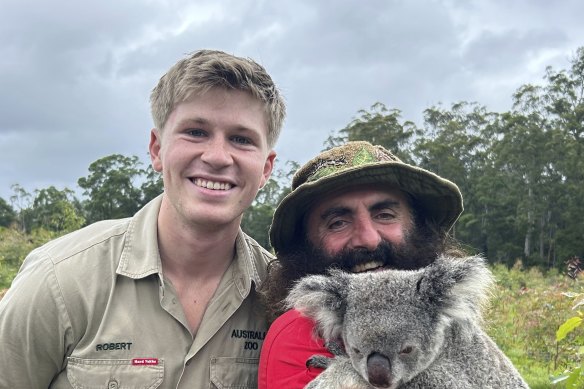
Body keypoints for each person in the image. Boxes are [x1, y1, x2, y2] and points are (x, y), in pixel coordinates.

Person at [0, 49, 285, 389]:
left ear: (266, 167)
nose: (217, 157)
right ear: (156, 149)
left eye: (241, 139)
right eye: (195, 132)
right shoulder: (60, 280)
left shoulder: (281, 298)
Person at [258, 140, 466, 388]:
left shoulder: (451, 317)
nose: (368, 239)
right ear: (307, 249)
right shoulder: (300, 335)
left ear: (418, 226)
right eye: (338, 223)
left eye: (385, 215)